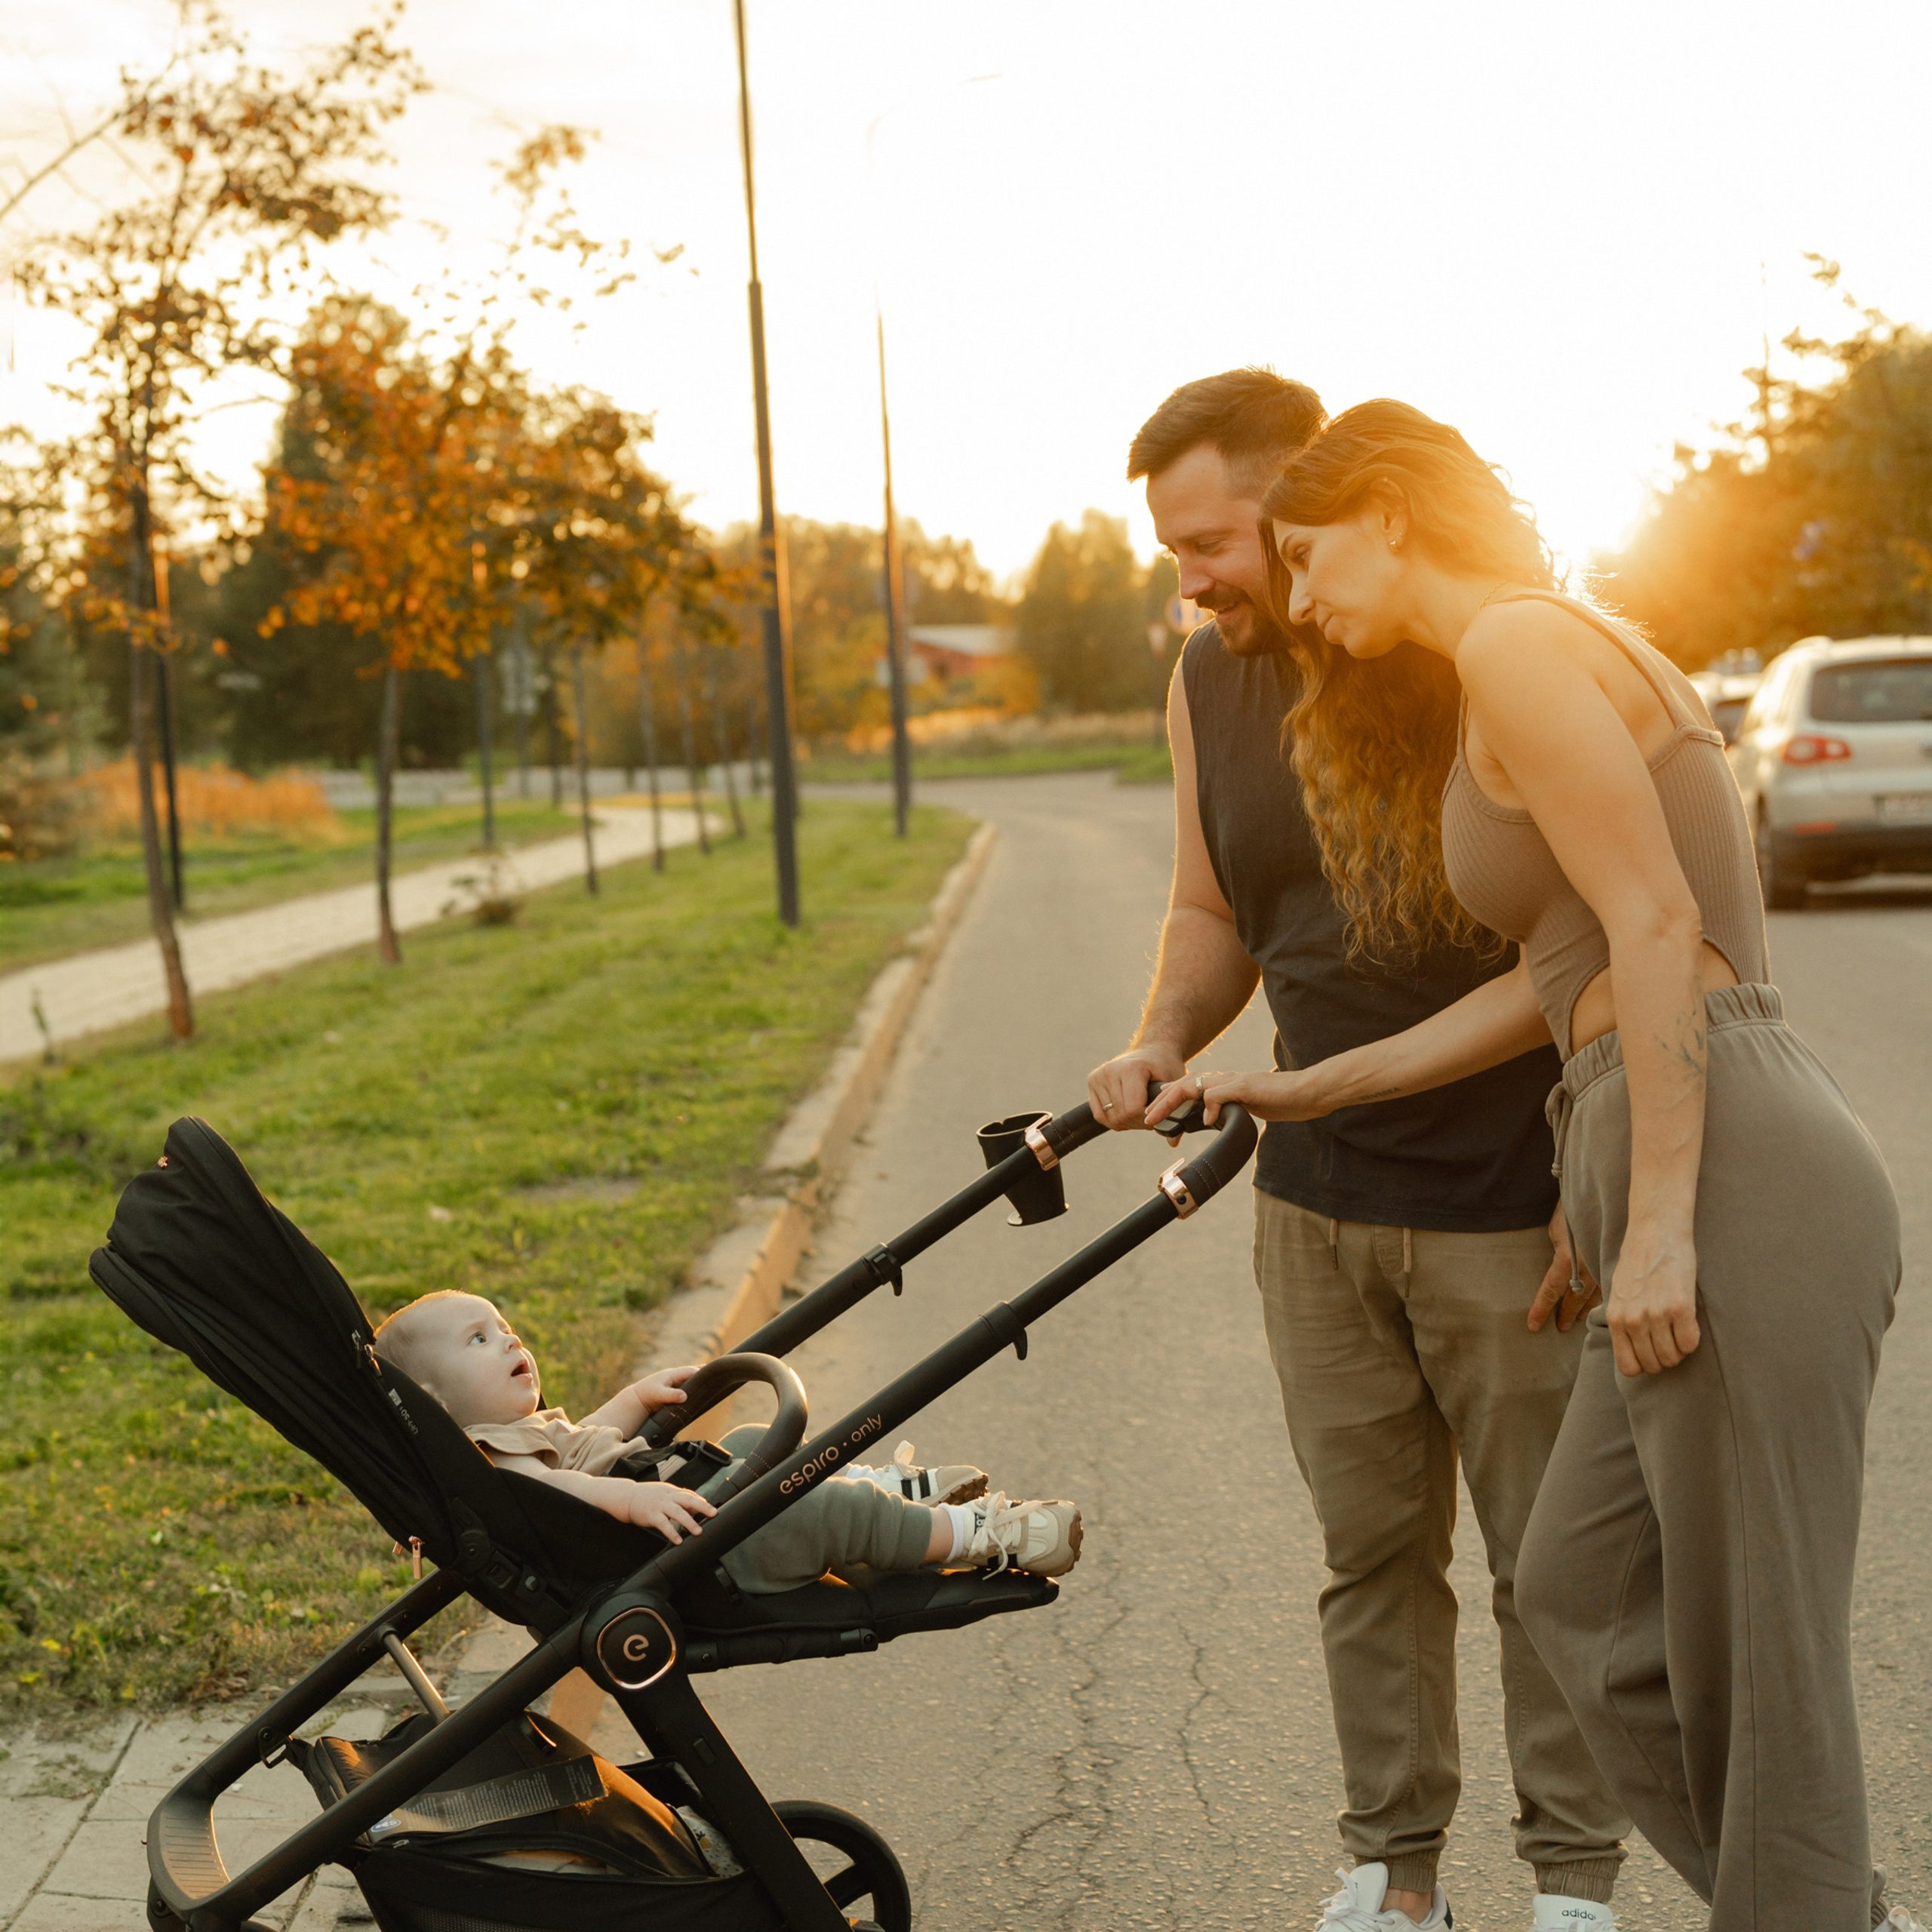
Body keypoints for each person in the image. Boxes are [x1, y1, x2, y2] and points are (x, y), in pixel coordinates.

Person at [1171, 396, 1915, 1932]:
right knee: (1584, 1596)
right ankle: (1823, 1906)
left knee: (1755, 1654)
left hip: (1730, 1156)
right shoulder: (1511, 661)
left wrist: (1658, 1224)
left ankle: (1810, 1909)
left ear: (1388, 512)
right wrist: (1309, 1087)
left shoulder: (1516, 644)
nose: (1298, 597)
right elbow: (1554, 976)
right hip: (1646, 1129)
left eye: (1306, 555)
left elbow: (1660, 926)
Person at [1089, 370, 1628, 1932]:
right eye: (1171, 552)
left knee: (1548, 1563)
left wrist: (1595, 1178)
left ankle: (1573, 1886)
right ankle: (1395, 1879)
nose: (1192, 582)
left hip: (1512, 1196)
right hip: (1316, 1209)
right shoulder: (1205, 680)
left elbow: (1591, 938)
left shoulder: (1472, 658)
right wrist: (1160, 1035)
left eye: (1211, 543)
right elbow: (1209, 908)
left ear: (1303, 508)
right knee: (1370, 1556)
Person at [372, 1289, 1083, 1588]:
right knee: (816, 1508)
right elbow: (556, 1486)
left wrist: (633, 1399)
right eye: (479, 1339)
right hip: (683, 1554)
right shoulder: (488, 1461)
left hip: (679, 1511)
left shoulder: (519, 1433)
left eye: (503, 1328)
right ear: (434, 1400)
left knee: (748, 1444)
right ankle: (977, 1534)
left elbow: (584, 1446)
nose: (509, 1340)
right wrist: (630, 1501)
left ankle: (889, 1501)